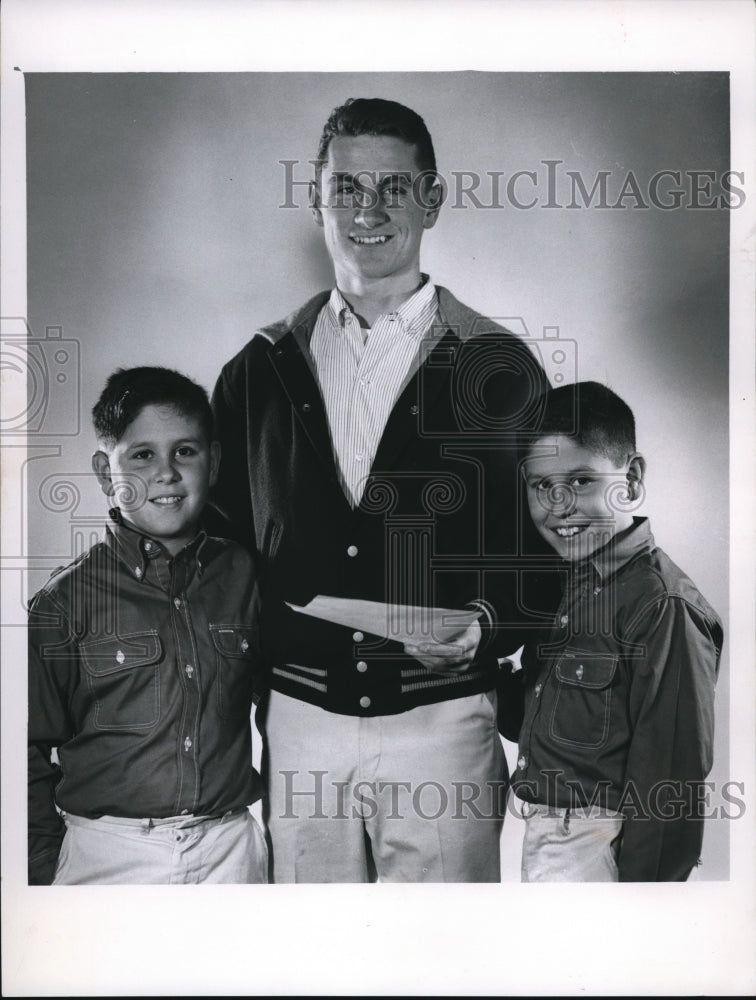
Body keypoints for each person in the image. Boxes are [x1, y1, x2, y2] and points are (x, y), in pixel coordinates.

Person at [211, 97, 553, 883]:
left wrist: (489, 625)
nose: (369, 210)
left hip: (443, 724)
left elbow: (551, 549)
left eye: (394, 188)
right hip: (299, 725)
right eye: (347, 188)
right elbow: (221, 547)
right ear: (317, 197)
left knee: (443, 959)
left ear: (432, 199)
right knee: (315, 957)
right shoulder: (260, 367)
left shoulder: (495, 366)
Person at [27, 367, 268, 885]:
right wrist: (44, 869)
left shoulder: (247, 576)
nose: (166, 474)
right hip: (108, 855)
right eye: (142, 455)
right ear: (102, 471)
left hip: (229, 851)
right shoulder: (63, 602)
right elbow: (21, 751)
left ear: (215, 460)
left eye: (186, 451)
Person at [503, 380, 722, 881]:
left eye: (581, 481)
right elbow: (556, 726)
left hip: (601, 844)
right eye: (542, 486)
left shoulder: (661, 605)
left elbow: (671, 783)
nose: (559, 506)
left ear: (633, 477)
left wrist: (642, 909)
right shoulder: (568, 586)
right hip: (548, 835)